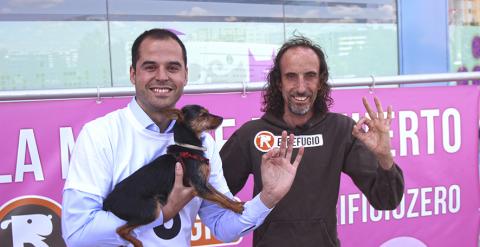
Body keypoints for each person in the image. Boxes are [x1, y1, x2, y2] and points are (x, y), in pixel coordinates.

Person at [61, 28, 304, 247]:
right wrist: (163, 213)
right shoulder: (101, 135)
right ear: (133, 74)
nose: (162, 76)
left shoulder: (203, 144)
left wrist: (267, 198)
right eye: (150, 67)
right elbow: (78, 234)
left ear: (185, 75)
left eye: (173, 68)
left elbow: (222, 226)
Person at [220, 36, 405, 247]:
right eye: (291, 77)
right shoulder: (251, 134)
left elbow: (387, 200)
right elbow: (212, 196)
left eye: (310, 76)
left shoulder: (341, 130)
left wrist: (384, 157)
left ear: (320, 81)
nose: (301, 88)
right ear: (278, 82)